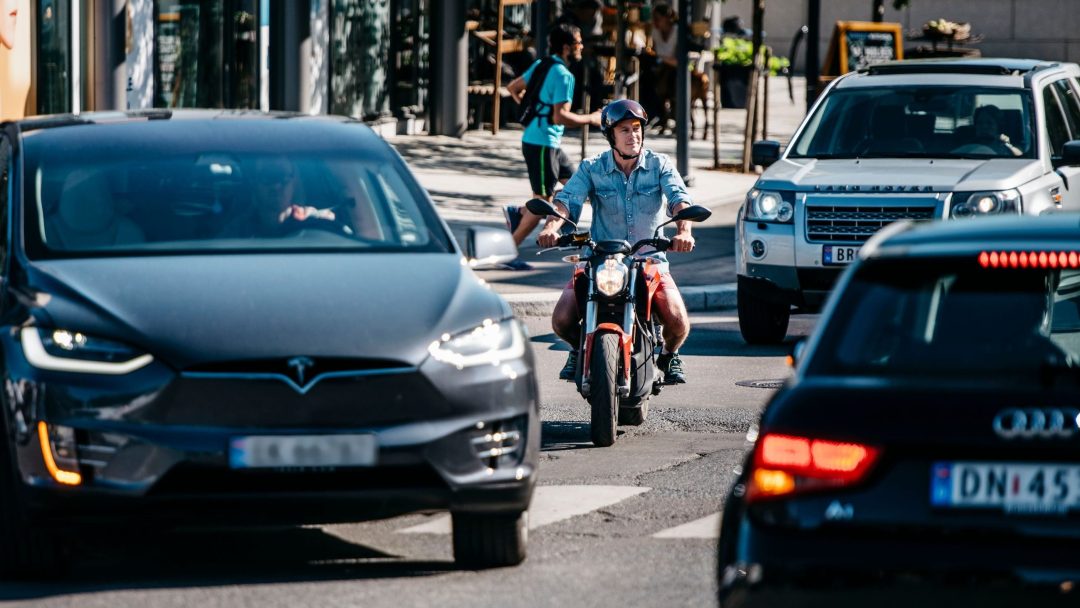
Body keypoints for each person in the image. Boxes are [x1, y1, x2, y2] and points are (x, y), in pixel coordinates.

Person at [537, 99, 695, 384]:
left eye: (636, 128)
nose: (633, 135)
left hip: (650, 260)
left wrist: (684, 231)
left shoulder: (660, 165)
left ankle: (669, 355)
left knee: (677, 321)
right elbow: (565, 202)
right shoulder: (592, 168)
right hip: (600, 260)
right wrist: (552, 226)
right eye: (624, 129)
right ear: (611, 135)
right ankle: (577, 349)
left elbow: (679, 201)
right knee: (561, 319)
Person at [502, 23, 602, 268]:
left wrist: (530, 111)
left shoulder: (542, 64)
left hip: (543, 141)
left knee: (576, 184)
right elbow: (560, 117)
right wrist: (592, 119)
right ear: (567, 47)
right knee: (542, 203)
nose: (581, 46)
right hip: (543, 143)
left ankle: (520, 213)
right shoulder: (564, 76)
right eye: (578, 42)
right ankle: (506, 253)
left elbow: (513, 88)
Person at [223, 156, 336, 238]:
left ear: (294, 183)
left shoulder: (316, 223)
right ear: (254, 183)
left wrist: (325, 224)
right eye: (267, 176)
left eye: (283, 176)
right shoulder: (236, 232)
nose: (276, 186)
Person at [955, 104, 1023, 157]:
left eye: (989, 123)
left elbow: (1022, 158)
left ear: (998, 126)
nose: (984, 126)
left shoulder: (1005, 145)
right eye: (980, 123)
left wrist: (1007, 145)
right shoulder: (967, 145)